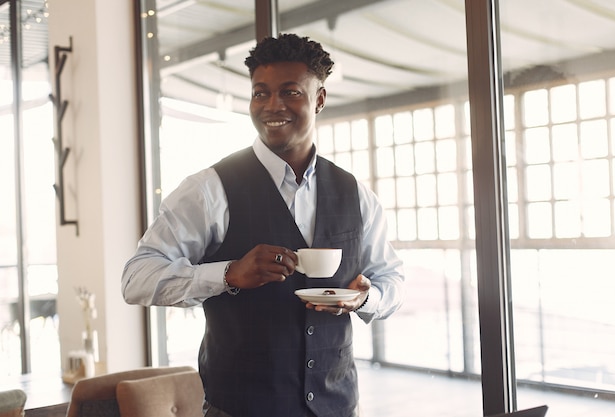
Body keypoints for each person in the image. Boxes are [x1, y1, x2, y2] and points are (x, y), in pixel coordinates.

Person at [122, 33, 404, 417]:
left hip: (337, 406)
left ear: (319, 99)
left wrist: (365, 298)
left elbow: (391, 278)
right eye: (260, 93)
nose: (272, 106)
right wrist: (229, 274)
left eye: (290, 92)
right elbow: (136, 277)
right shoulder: (209, 189)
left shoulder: (355, 194)